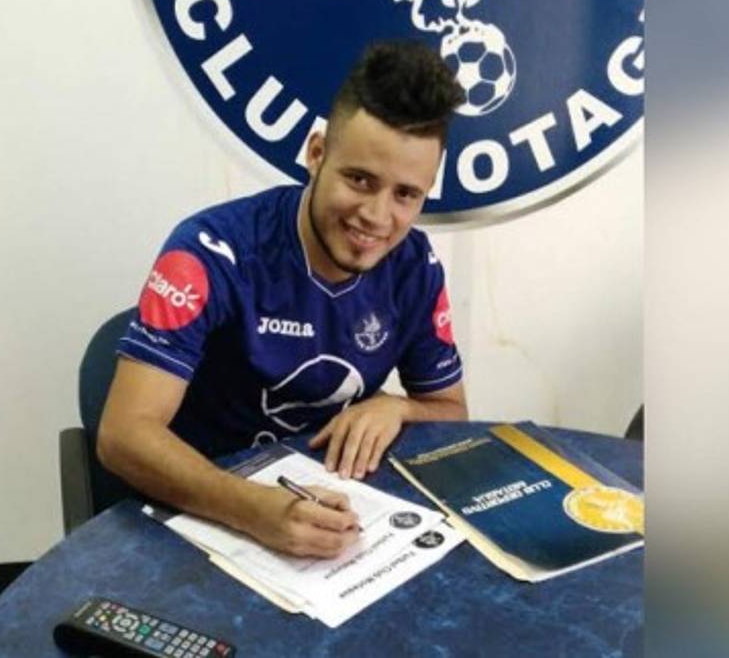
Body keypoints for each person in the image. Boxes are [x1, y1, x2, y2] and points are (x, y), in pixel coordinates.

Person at [97, 40, 469, 558]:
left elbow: (453, 411)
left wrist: (397, 407)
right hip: (202, 514)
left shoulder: (415, 266)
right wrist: (251, 509)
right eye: (359, 180)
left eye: (405, 194)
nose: (378, 217)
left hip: (331, 520)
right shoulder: (210, 250)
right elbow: (123, 435)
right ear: (316, 154)